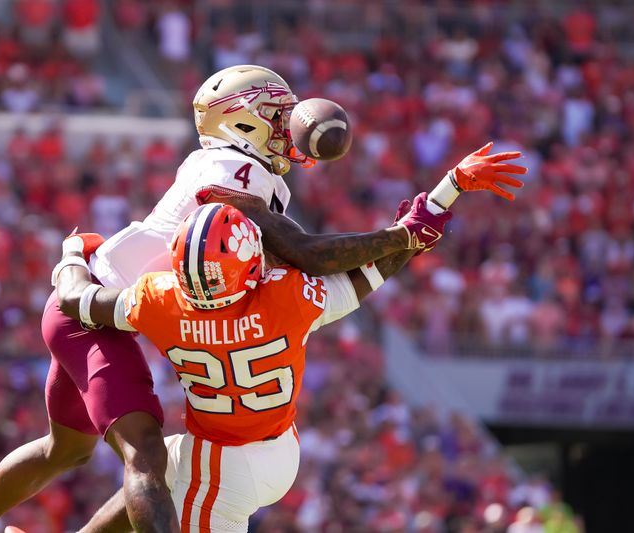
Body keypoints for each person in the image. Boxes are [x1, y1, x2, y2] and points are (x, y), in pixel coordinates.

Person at [0, 64, 524, 533]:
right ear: (242, 120)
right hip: (98, 312)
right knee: (147, 459)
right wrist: (411, 228)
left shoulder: (245, 176)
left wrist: (73, 263)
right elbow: (312, 259)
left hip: (101, 303)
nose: (290, 124)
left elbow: (307, 255)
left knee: (68, 450)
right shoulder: (235, 174)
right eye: (276, 113)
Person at [52, 197, 451, 531]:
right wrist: (429, 212)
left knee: (150, 472)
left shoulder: (160, 302)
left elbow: (74, 300)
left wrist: (73, 251)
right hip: (279, 449)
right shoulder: (288, 298)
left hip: (222, 462)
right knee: (163, 468)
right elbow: (368, 273)